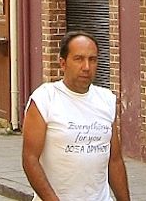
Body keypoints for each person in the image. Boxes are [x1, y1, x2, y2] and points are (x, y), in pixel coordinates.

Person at [22, 31, 131, 201]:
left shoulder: (107, 100)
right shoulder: (45, 99)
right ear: (63, 63)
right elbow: (30, 159)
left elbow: (114, 160)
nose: (86, 67)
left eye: (92, 60)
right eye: (79, 59)